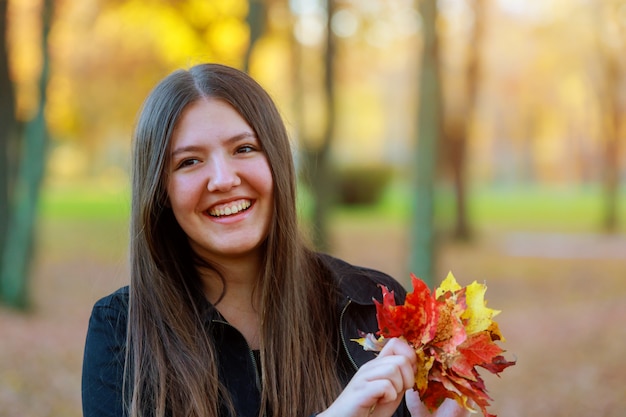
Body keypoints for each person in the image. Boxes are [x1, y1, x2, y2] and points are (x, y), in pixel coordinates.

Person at [81, 63, 468, 417]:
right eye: (189, 161)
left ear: (278, 162)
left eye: (244, 149)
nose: (223, 179)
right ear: (160, 191)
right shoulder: (121, 331)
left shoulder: (372, 305)